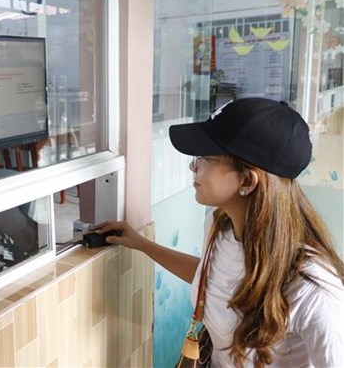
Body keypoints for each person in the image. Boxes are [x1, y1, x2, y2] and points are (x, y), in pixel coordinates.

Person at [94, 98, 344, 367]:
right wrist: (141, 243)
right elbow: (211, 277)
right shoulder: (219, 226)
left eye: (205, 157)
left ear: (247, 180)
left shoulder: (313, 286)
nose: (193, 166)